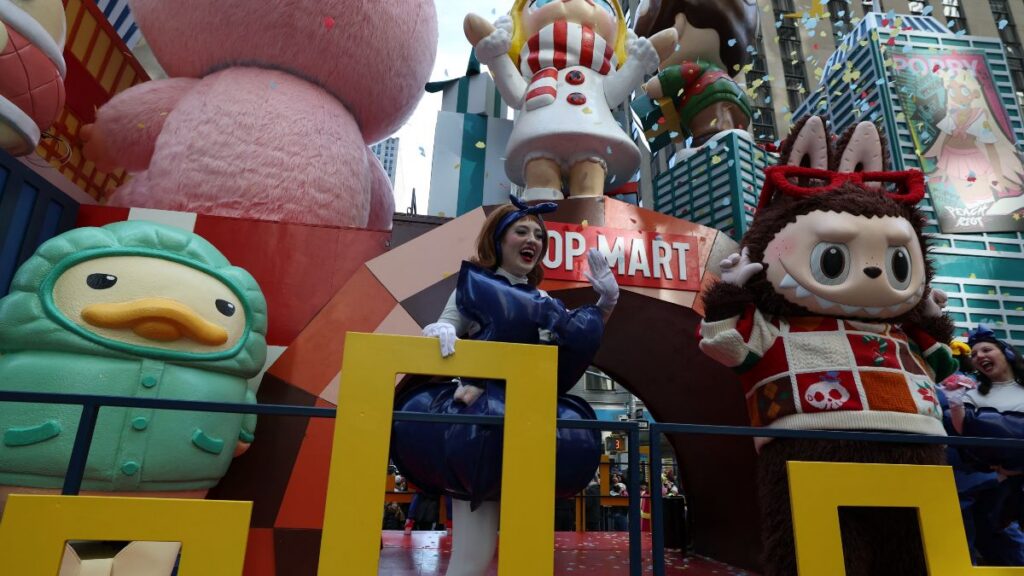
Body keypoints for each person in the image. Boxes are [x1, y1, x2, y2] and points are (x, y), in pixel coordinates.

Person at [390, 196, 618, 576]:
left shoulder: (543, 299)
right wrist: (443, 330)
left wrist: (607, 302)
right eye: (522, 231)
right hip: (481, 430)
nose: (533, 239)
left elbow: (576, 340)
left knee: (525, 552)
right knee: (474, 552)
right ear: (498, 239)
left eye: (539, 235)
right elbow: (447, 326)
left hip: (528, 427)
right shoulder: (474, 286)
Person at [946, 325, 1024, 566]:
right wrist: (956, 400)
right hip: (991, 479)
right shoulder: (971, 393)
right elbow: (962, 435)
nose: (979, 356)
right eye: (974, 354)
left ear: (1007, 353)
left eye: (986, 350)